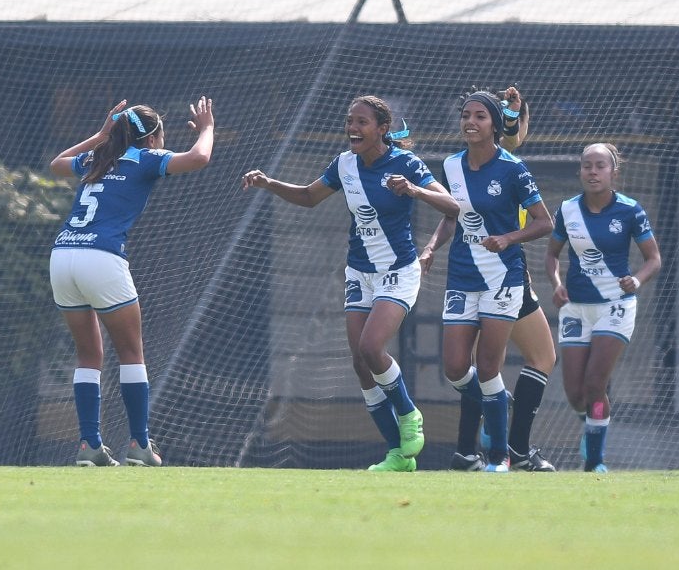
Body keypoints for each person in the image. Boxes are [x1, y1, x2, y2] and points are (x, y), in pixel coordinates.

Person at [242, 95, 459, 472]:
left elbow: (452, 206)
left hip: (398, 270)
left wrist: (412, 189)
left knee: (373, 347)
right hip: (359, 272)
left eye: (361, 122)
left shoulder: (406, 163)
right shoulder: (344, 164)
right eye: (350, 121)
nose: (352, 128)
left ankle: (409, 415)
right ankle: (397, 456)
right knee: (360, 363)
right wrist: (269, 183)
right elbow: (310, 197)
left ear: (382, 128)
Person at [50, 96, 216, 467]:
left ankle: (89, 446)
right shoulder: (145, 159)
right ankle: (140, 444)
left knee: (89, 355)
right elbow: (199, 158)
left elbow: (56, 165)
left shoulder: (97, 157)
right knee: (131, 353)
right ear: (153, 136)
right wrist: (206, 128)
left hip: (62, 256)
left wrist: (99, 135)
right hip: (102, 258)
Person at [424, 87, 557, 472]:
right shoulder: (451, 166)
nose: (470, 121)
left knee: (488, 367)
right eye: (466, 115)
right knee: (453, 367)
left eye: (480, 116)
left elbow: (545, 222)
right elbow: (452, 216)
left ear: (495, 126)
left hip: (504, 277)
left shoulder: (513, 168)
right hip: (461, 276)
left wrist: (508, 239)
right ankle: (495, 402)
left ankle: (498, 456)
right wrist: (432, 247)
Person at [545, 142, 661, 473]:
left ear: (614, 172)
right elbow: (552, 254)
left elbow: (654, 259)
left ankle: (594, 460)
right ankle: (593, 425)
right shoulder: (567, 209)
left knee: (596, 384)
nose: (592, 172)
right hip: (575, 308)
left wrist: (636, 281)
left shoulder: (630, 210)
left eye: (600, 166)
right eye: (586, 166)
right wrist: (556, 285)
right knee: (574, 394)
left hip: (616, 306)